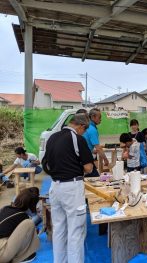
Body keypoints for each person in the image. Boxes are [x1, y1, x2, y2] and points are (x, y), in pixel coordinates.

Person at [44, 113, 94, 263]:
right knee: (76, 231)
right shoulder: (78, 139)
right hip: (72, 187)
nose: (83, 133)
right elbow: (89, 168)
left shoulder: (52, 137)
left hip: (55, 186)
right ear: (81, 126)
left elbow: (45, 164)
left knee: (59, 229)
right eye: (84, 130)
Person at [0, 187, 40, 263]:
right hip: (1, 253)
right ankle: (22, 257)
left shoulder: (5, 208)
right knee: (29, 223)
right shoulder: (22, 216)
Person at [83, 108, 109, 177]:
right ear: (93, 117)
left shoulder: (87, 126)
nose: (101, 119)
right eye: (99, 117)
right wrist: (105, 160)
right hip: (85, 158)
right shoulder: (92, 129)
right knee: (95, 178)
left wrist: (91, 150)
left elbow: (86, 143)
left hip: (83, 157)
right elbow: (98, 148)